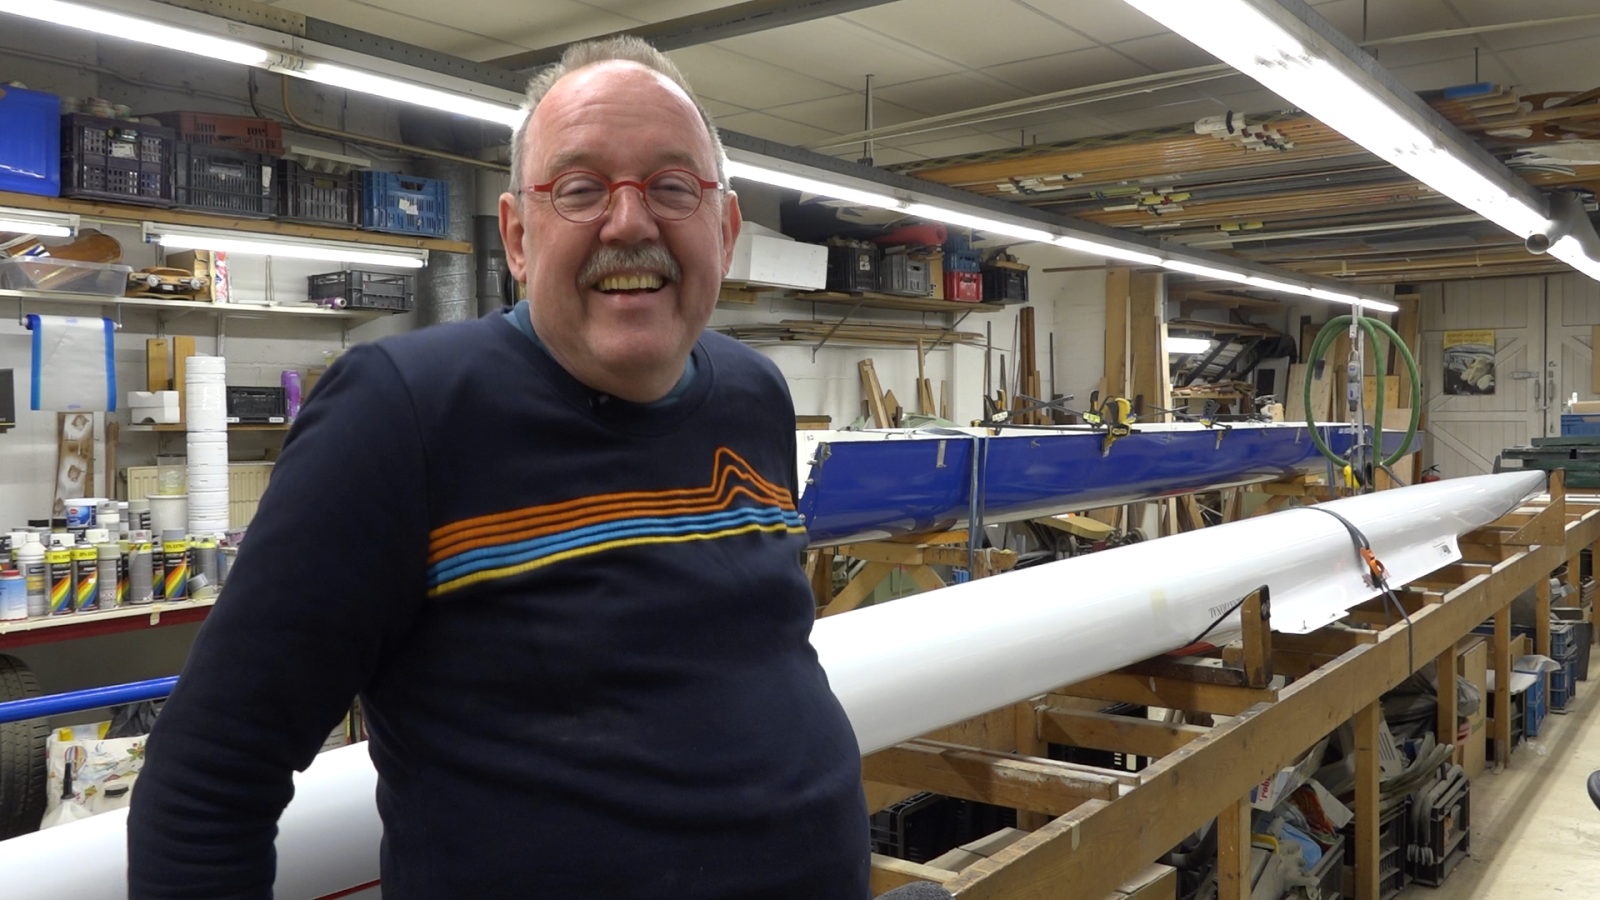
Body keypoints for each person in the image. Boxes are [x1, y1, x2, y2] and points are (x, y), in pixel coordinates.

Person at [128, 37, 871, 899]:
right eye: (581, 188)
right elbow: (210, 776)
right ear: (518, 237)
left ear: (726, 229)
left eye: (672, 186)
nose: (630, 223)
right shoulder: (402, 414)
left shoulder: (754, 393)